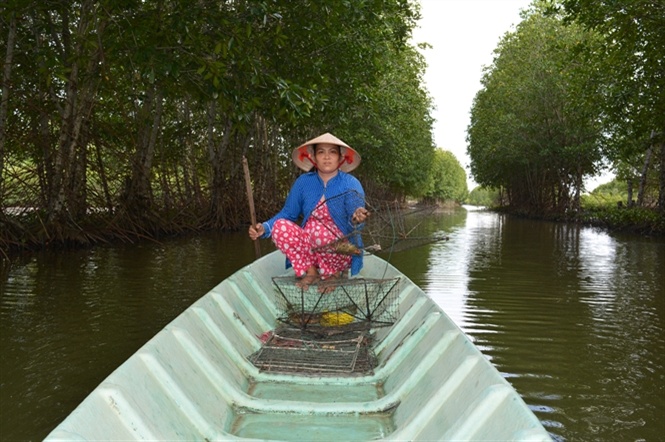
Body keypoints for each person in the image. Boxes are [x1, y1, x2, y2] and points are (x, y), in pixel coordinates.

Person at [248, 132, 369, 290]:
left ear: (340, 158)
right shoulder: (303, 183)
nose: (326, 157)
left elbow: (356, 223)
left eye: (332, 152)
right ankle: (311, 271)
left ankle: (333, 273)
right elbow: (287, 214)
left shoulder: (351, 183)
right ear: (313, 157)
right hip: (311, 250)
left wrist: (358, 218)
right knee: (280, 226)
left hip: (341, 250)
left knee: (320, 233)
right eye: (321, 152)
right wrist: (264, 228)